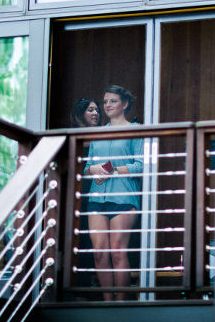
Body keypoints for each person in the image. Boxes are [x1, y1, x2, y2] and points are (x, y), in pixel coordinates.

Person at [84, 85, 143, 301]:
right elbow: (86, 166)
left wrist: (112, 171)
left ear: (125, 104)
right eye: (105, 101)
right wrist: (94, 169)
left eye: (113, 101)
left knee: (118, 251)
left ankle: (121, 304)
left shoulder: (136, 129)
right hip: (97, 198)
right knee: (99, 252)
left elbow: (141, 165)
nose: (107, 105)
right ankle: (107, 303)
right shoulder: (97, 132)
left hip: (124, 197)